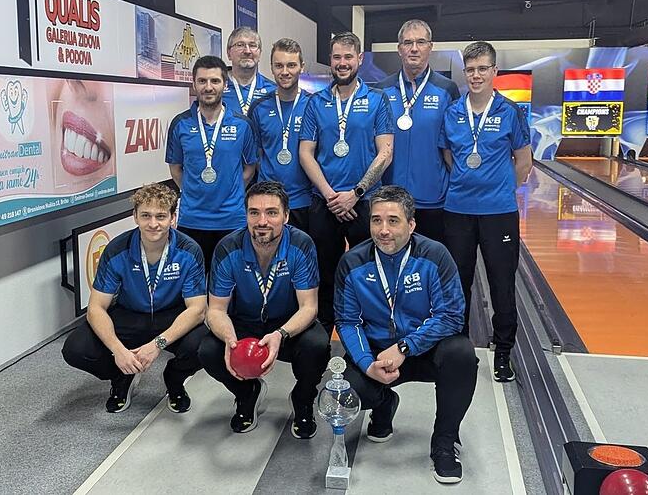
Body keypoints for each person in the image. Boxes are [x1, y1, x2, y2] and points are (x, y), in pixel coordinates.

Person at [334, 185, 478, 484]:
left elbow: (451, 315)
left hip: (423, 351)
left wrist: (405, 346)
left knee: (461, 354)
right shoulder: (353, 262)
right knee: (346, 390)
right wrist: (366, 363)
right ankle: (384, 405)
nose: (383, 230)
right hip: (377, 356)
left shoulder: (435, 256)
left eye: (393, 220)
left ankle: (444, 443)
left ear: (411, 225)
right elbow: (347, 322)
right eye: (376, 220)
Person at [62, 183, 208, 413]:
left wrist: (157, 344)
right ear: (135, 217)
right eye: (146, 216)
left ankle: (174, 379)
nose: (153, 224)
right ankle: (121, 376)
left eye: (161, 216)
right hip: (129, 315)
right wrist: (118, 350)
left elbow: (197, 309)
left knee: (205, 347)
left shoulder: (189, 250)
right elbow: (96, 308)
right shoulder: (117, 249)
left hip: (171, 315)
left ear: (173, 218)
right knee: (76, 349)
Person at [198, 181, 329, 437]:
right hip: (243, 326)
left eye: (271, 212)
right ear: (245, 214)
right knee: (207, 350)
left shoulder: (301, 245)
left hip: (287, 325)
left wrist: (280, 334)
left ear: (286, 216)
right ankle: (247, 393)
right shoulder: (228, 247)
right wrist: (229, 338)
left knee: (317, 344)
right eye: (254, 212)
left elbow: (309, 307)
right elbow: (215, 310)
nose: (262, 221)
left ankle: (303, 400)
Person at [438, 41, 533, 382]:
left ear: (494, 71)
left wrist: (500, 190)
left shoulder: (509, 112)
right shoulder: (452, 112)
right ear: (465, 73)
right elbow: (449, 157)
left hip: (499, 213)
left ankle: (503, 352)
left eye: (482, 69)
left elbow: (524, 162)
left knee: (502, 285)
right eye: (470, 69)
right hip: (458, 211)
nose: (476, 75)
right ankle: (459, 348)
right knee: (457, 284)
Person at [299, 31, 394, 335]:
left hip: (364, 203)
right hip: (324, 202)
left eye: (348, 57)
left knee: (367, 271)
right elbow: (305, 153)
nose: (342, 63)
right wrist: (331, 196)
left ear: (359, 60)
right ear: (331, 60)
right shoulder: (316, 103)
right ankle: (323, 336)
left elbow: (386, 152)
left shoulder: (377, 100)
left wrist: (355, 193)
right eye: (337, 57)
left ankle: (366, 334)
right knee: (324, 272)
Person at [166, 55, 259, 269]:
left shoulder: (242, 125)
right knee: (194, 283)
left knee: (232, 283)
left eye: (215, 81)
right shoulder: (180, 124)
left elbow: (249, 168)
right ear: (194, 84)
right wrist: (194, 191)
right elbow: (176, 168)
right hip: (192, 219)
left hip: (232, 220)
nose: (208, 87)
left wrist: (230, 190)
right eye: (202, 81)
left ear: (224, 85)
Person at [375, 20, 459, 244]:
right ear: (399, 48)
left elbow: (454, 145)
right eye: (408, 42)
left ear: (430, 47)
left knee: (431, 266)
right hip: (389, 199)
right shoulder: (381, 90)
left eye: (420, 42)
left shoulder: (447, 89)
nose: (414, 48)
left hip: (433, 199)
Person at [247, 38, 313, 233]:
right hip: (267, 202)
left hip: (305, 201)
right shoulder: (259, 107)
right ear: (272, 67)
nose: (285, 72)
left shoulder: (314, 104)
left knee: (302, 258)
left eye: (291, 65)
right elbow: (256, 154)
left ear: (302, 67)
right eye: (279, 66)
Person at [223, 26, 275, 115]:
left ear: (260, 53)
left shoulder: (273, 90)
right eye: (240, 45)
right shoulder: (215, 88)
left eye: (253, 45)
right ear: (228, 53)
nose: (247, 51)